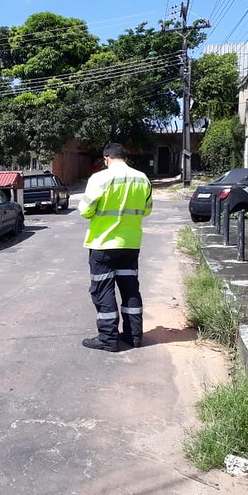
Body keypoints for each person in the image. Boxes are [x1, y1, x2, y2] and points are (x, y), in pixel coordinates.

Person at [77, 143, 153, 352]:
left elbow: (85, 211)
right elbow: (146, 210)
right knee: (130, 289)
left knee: (103, 290)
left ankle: (108, 338)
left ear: (106, 159)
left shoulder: (100, 178)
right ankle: (134, 336)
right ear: (125, 157)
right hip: (130, 244)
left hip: (103, 244)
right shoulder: (142, 178)